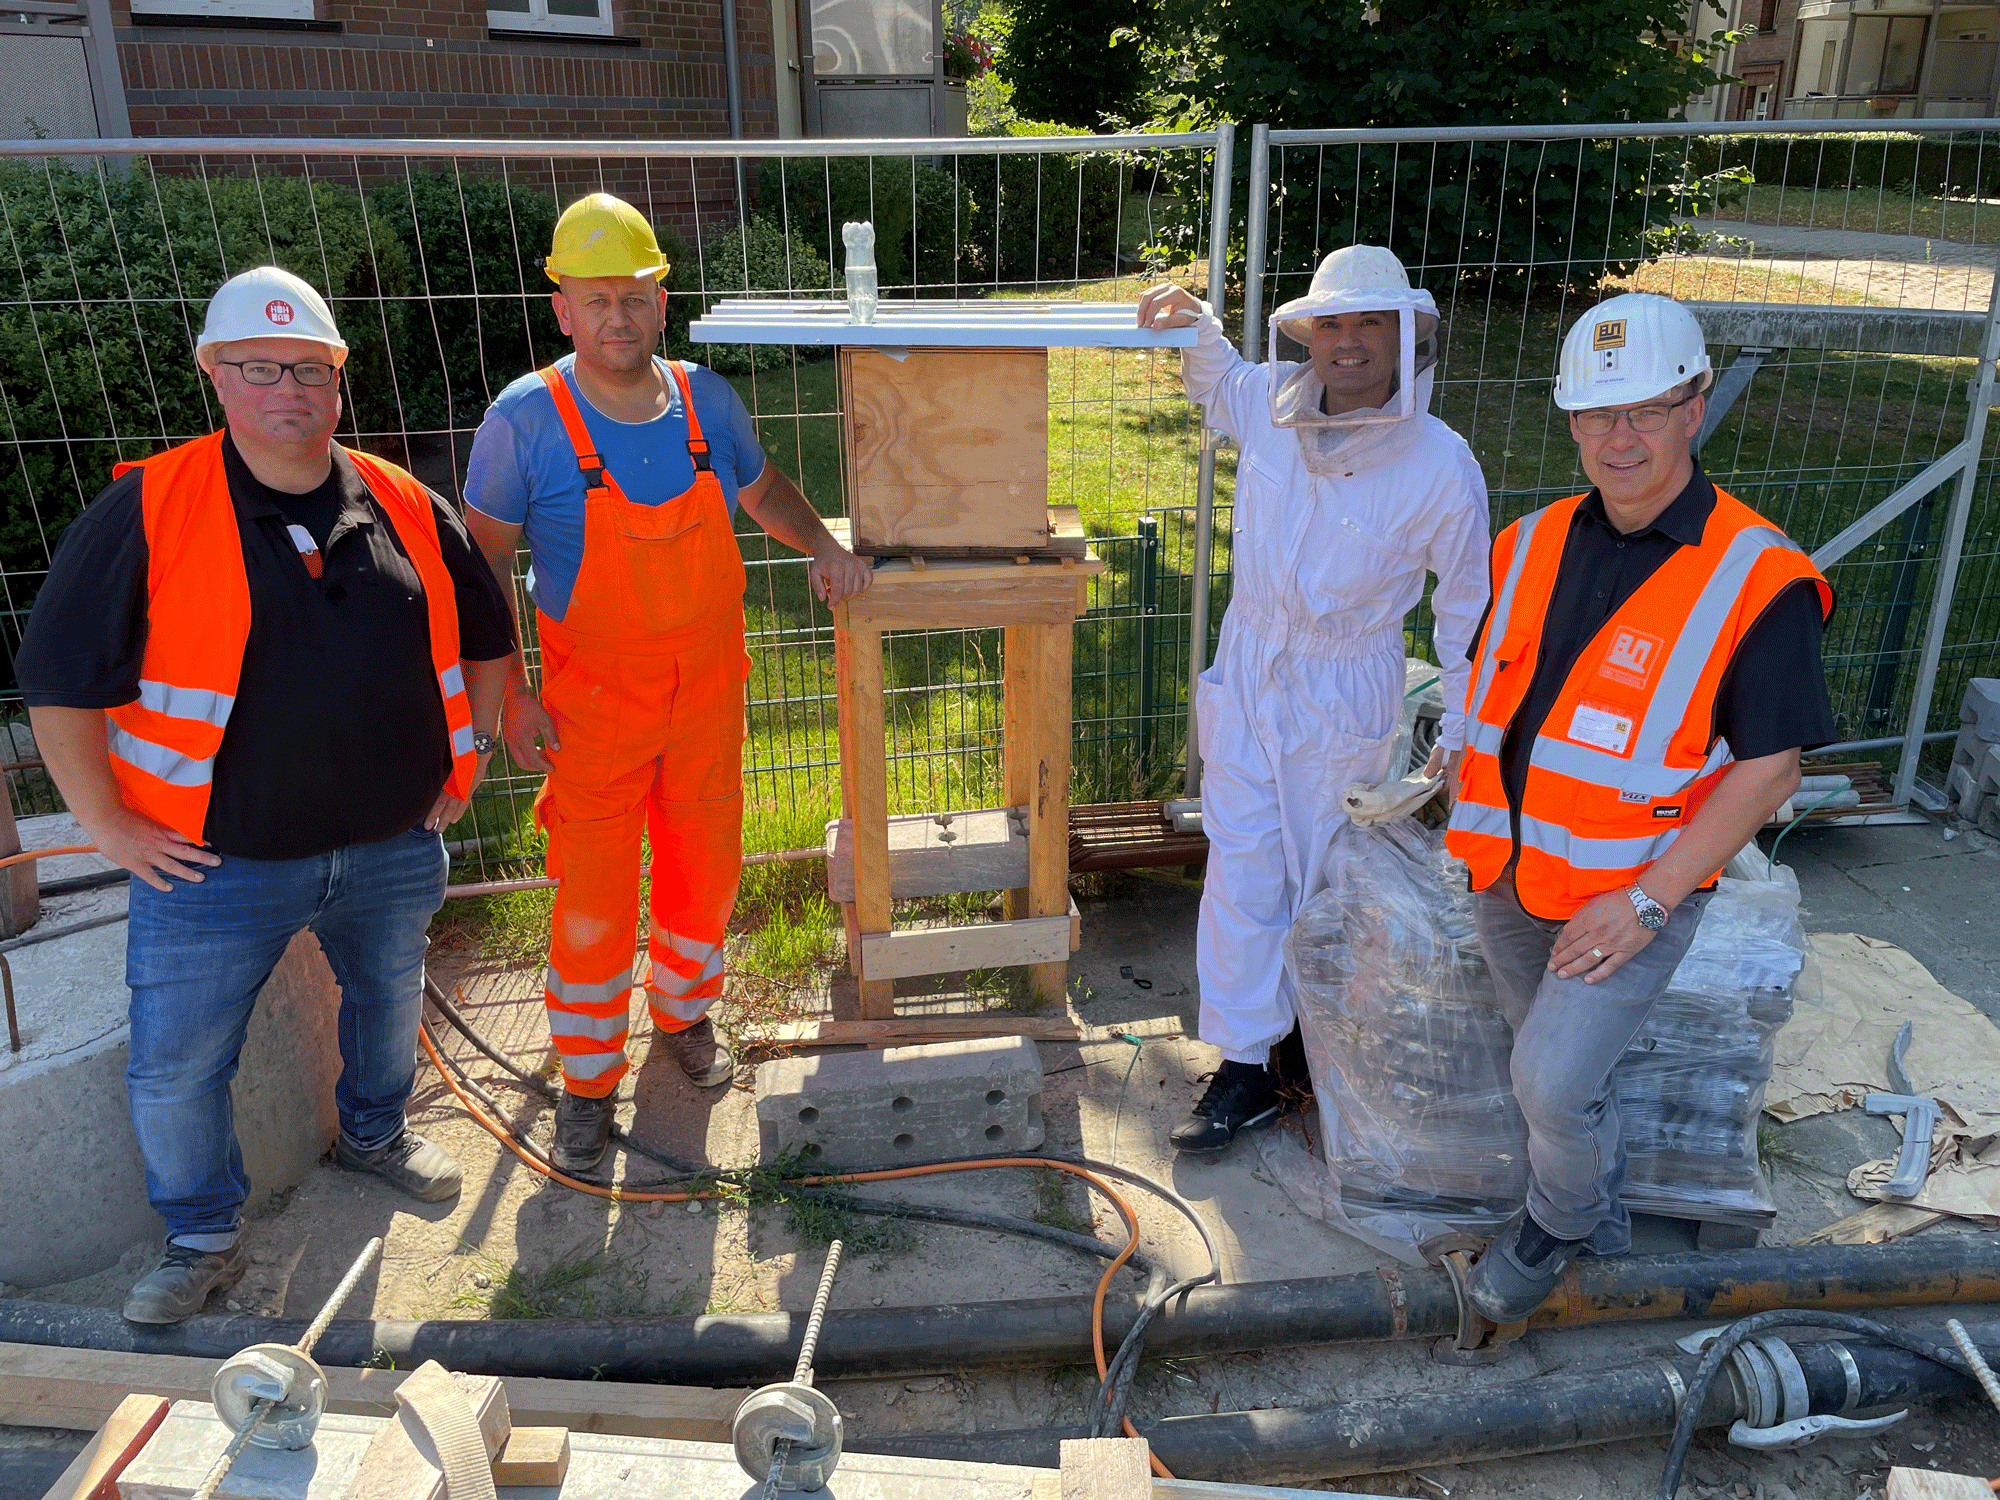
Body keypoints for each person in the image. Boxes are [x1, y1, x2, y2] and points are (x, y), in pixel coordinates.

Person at [18, 266, 517, 1324]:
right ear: (214, 373)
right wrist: (107, 823)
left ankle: (375, 1134)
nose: (285, 388)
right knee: (177, 1065)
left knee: (385, 1003)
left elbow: (485, 633)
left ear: (338, 377)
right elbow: (57, 680)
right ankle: (201, 1235)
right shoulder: (148, 508)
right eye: (258, 368)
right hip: (214, 864)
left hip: (388, 843)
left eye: (307, 368)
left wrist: (459, 765)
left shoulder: (397, 498)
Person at [463, 194, 873, 1175]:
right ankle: (588, 1078)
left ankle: (685, 1012)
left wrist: (820, 542)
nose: (618, 318)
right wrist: (509, 696)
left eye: (635, 297)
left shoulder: (705, 401)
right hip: (588, 711)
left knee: (703, 870)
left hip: (702, 698)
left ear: (660, 301)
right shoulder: (522, 422)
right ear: (561, 306)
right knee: (594, 901)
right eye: (596, 299)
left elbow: (764, 490)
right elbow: (477, 570)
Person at [1445, 291, 1836, 1321]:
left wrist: (1650, 901)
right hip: (1509, 870)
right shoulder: (1524, 542)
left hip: (1632, 888)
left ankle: (1558, 1226)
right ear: (1568, 420)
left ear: (1694, 407)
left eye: (1646, 412)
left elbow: (1770, 768)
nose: (1618, 439)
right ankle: (1601, 1221)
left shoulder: (1758, 577)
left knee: (1550, 1083)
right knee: (1553, 1073)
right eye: (1594, 415)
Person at [1136, 246, 1492, 1154]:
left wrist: (1464, 728)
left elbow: (1468, 611)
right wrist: (1191, 322)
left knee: (1329, 875)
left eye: (1370, 322)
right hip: (1250, 666)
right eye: (1331, 323)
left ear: (1408, 336)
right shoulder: (1269, 403)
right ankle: (1249, 1064)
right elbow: (1217, 379)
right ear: (1307, 335)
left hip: (1347, 682)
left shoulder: (1443, 464)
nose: (1347, 343)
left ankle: (1326, 1052)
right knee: (1245, 865)